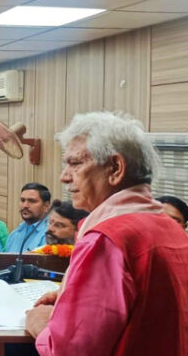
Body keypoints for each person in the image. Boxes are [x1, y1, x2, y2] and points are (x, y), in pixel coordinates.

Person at [25, 111, 188, 356]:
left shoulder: (107, 239)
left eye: (75, 163)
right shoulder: (171, 229)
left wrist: (41, 323)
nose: (64, 176)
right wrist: (70, 301)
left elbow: (70, 350)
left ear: (115, 168)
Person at [4, 183, 52, 253]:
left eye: (32, 201)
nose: (25, 205)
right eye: (22, 200)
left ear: (46, 206)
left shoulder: (51, 234)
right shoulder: (15, 233)